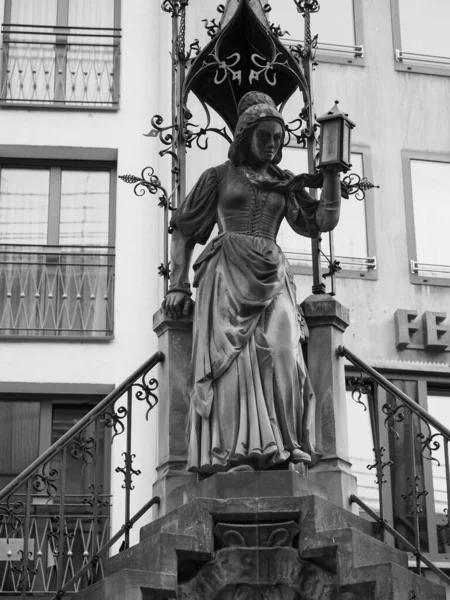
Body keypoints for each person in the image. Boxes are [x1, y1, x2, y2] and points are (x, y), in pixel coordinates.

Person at [162, 91, 343, 473]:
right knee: (231, 365)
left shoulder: (286, 182)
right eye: (266, 137)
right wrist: (177, 284)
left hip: (272, 275)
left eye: (279, 139)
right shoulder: (217, 177)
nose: (274, 145)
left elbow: (319, 222)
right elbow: (183, 230)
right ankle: (235, 452)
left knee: (282, 351)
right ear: (246, 137)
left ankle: (286, 444)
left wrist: (330, 175)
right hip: (226, 273)